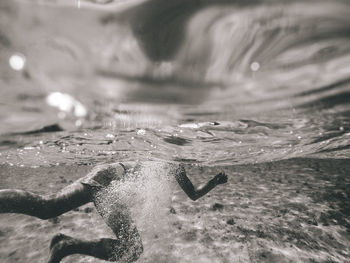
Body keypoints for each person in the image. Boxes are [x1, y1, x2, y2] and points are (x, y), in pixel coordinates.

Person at [0, 161, 227, 263]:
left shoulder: (176, 165)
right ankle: (65, 246)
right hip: (111, 180)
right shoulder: (165, 153)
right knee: (132, 249)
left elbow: (194, 194)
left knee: (47, 207)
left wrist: (214, 182)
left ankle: (64, 246)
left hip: (108, 177)